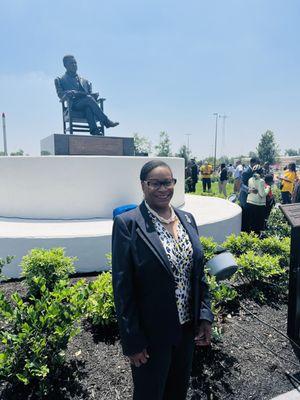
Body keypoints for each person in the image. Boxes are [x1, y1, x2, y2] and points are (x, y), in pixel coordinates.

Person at [112, 160, 213, 400]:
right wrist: (133, 341)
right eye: (155, 183)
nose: (163, 188)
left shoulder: (187, 219)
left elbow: (198, 274)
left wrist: (205, 315)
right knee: (150, 394)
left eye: (168, 182)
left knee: (177, 391)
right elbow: (123, 288)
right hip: (152, 336)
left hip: (186, 331)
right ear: (143, 186)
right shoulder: (128, 224)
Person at [55, 55, 119, 135]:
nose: (74, 65)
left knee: (88, 106)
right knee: (88, 99)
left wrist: (94, 96)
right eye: (71, 63)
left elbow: (89, 94)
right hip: (73, 105)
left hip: (86, 103)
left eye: (75, 63)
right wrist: (69, 93)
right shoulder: (60, 80)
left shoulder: (85, 81)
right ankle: (106, 121)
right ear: (65, 65)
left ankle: (94, 131)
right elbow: (60, 95)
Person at [245, 165, 269, 235]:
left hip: (250, 203)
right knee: (258, 225)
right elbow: (262, 194)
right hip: (259, 205)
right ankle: (257, 240)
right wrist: (268, 188)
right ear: (260, 172)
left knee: (251, 224)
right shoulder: (261, 181)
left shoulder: (250, 179)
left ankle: (250, 239)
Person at [239, 157, 259, 231]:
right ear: (252, 163)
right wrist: (249, 189)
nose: (257, 165)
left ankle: (248, 230)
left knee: (249, 215)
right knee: (245, 215)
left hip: (251, 197)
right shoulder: (246, 172)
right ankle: (244, 232)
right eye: (257, 164)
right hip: (245, 197)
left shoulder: (254, 171)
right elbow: (241, 185)